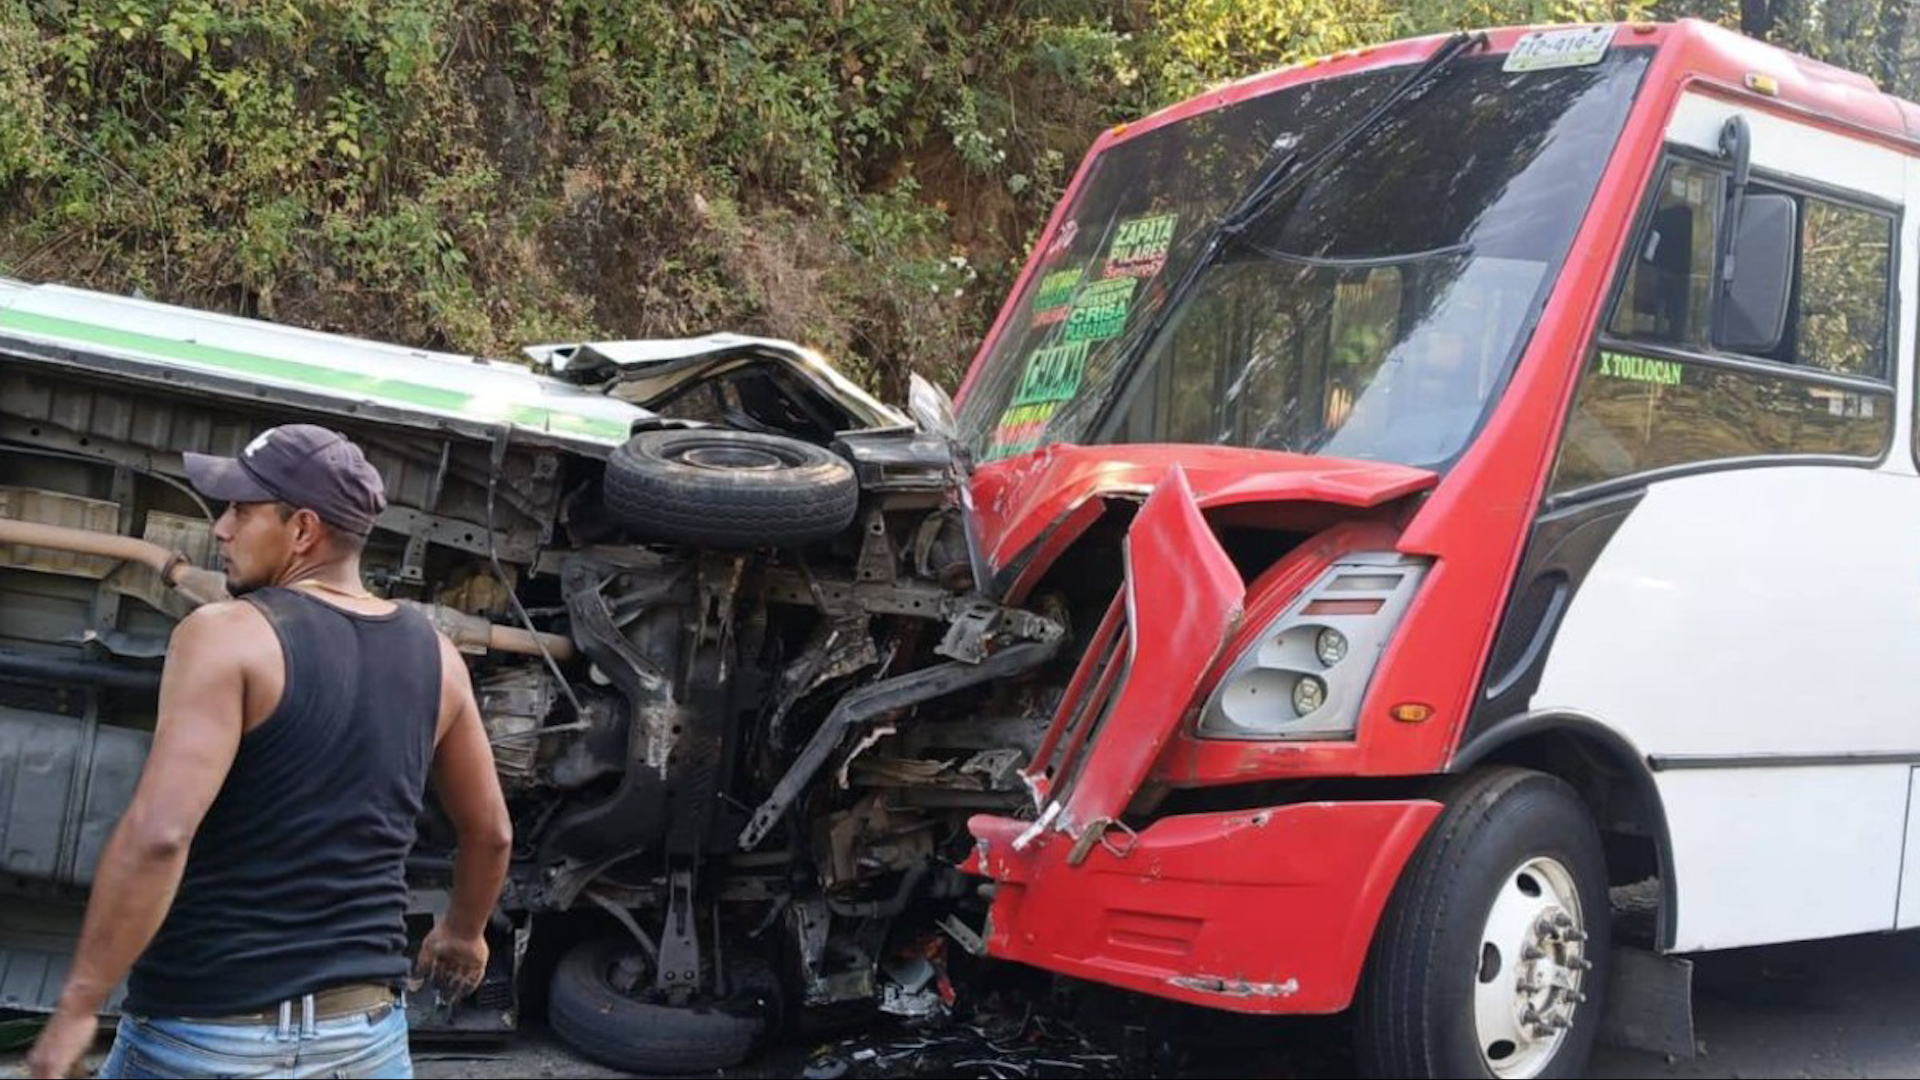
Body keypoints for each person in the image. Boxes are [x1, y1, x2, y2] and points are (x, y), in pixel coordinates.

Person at [26, 424, 513, 1080]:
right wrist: (463, 930)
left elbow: (160, 836)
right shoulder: (437, 657)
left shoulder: (226, 637)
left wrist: (78, 1006)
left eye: (240, 509)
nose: (221, 529)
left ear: (302, 530)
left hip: (207, 1035)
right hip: (363, 1040)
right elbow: (490, 833)